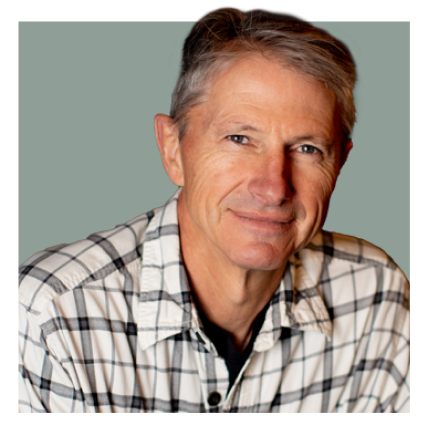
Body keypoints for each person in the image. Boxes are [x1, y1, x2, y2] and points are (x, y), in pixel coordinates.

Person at [18, 9, 410, 413]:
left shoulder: (376, 295)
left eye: (307, 149)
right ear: (172, 149)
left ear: (340, 163)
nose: (274, 188)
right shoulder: (51, 317)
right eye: (239, 138)